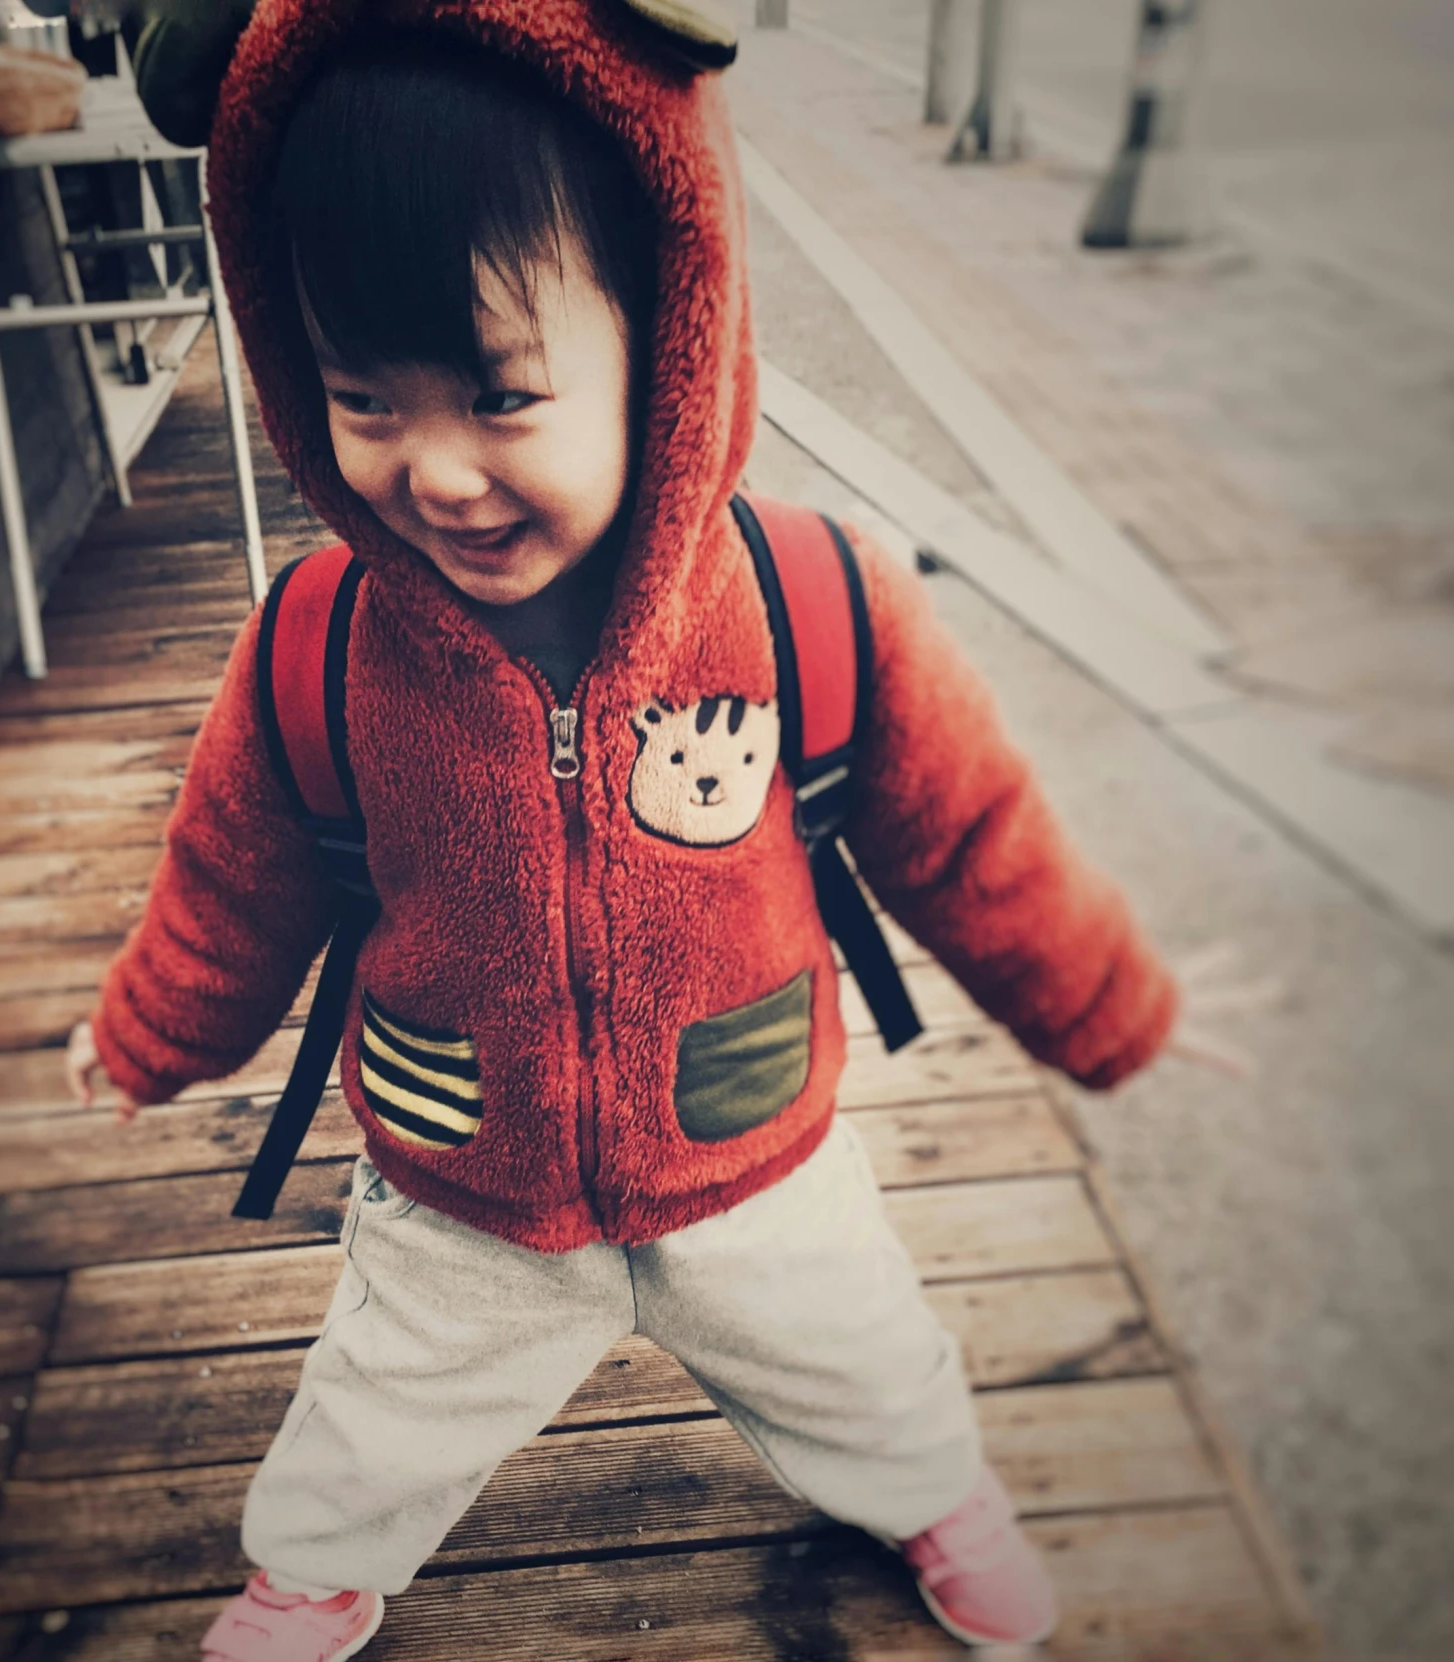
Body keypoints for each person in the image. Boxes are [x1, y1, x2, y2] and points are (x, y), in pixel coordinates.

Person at [68, 5, 1196, 1656]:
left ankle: (942, 1494)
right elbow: (231, 879)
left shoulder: (814, 603)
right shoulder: (321, 648)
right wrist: (148, 1028)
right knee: (379, 1400)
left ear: (671, 325)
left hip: (748, 1153)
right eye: (362, 399)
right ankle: (310, 1566)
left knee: (867, 1361)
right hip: (464, 1176)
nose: (435, 473)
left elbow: (973, 835)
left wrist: (1109, 1003)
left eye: (502, 394)